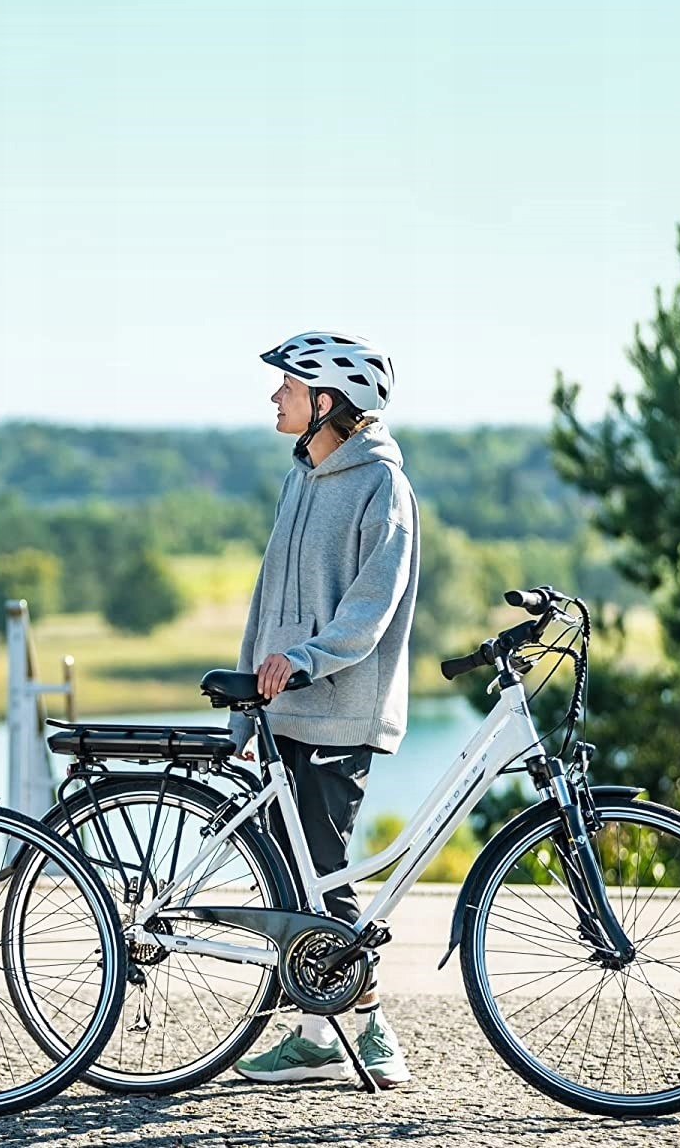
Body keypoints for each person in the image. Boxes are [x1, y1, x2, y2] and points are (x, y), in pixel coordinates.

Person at [229, 331, 420, 1089]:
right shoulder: (301, 478)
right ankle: (314, 1034)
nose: (273, 397)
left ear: (327, 402)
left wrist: (305, 660)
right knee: (292, 880)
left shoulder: (381, 487)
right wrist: (248, 707)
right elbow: (263, 605)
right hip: (283, 711)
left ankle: (370, 1034)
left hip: (340, 708)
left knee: (324, 873)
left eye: (286, 387)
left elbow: (369, 609)